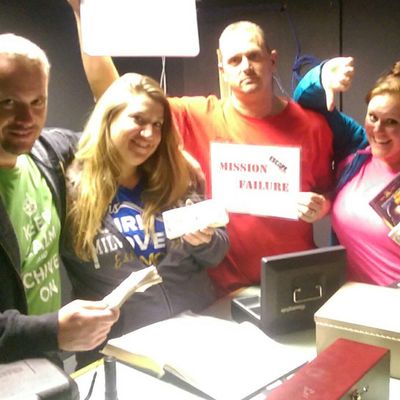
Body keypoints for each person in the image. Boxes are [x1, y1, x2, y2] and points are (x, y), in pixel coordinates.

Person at [67, 0, 365, 295]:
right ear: (222, 68)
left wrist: (322, 206)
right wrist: (83, 15)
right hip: (222, 289)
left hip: (293, 280)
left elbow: (329, 194)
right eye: (235, 60)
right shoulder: (196, 115)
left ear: (272, 60)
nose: (246, 67)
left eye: (254, 56)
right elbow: (115, 96)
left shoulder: (312, 126)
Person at [62, 72, 229, 367]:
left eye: (157, 125)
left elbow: (217, 252)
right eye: (138, 120)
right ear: (109, 119)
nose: (149, 135)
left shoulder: (175, 175)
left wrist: (206, 241)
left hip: (195, 337)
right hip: (119, 354)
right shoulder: (71, 189)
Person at [0, 33, 119, 365]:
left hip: (46, 370)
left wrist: (176, 153)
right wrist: (50, 331)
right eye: (8, 102)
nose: (27, 119)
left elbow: (117, 124)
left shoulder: (48, 153)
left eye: (37, 101)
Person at [294, 57, 400, 286]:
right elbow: (305, 103)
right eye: (373, 117)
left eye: (391, 121)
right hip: (349, 300)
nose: (378, 130)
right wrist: (321, 76)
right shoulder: (357, 149)